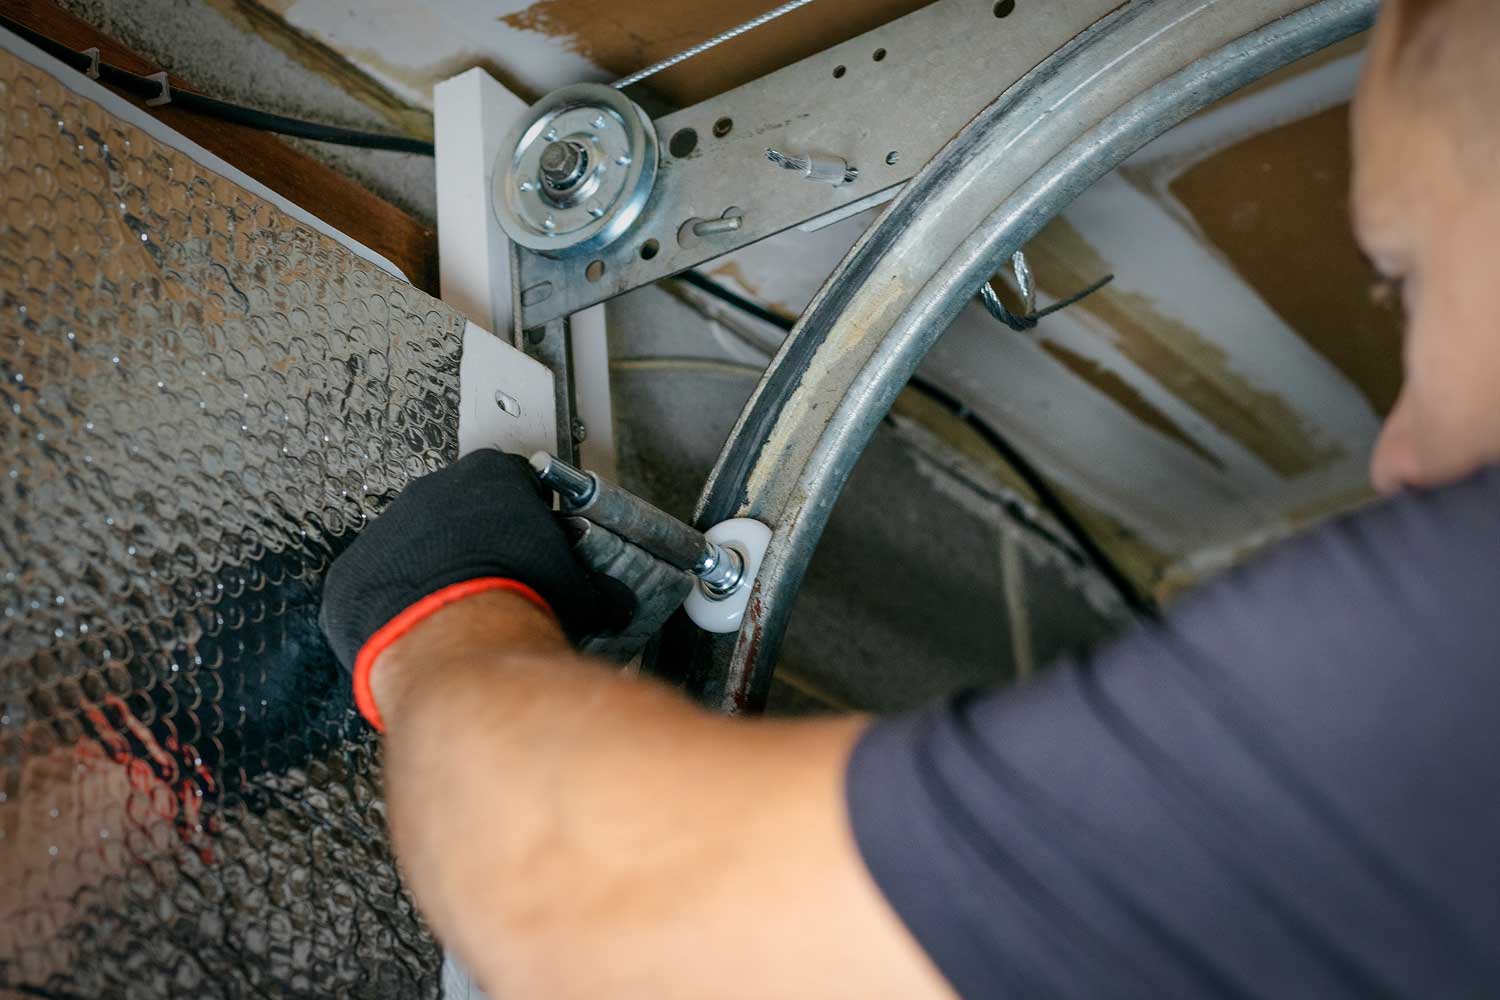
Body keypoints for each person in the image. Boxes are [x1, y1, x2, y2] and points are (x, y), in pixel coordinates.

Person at [318, 2, 1500, 996]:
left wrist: (442, 617)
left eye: (1408, 280)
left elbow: (582, 895)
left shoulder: (1457, 647)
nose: (1394, 460)